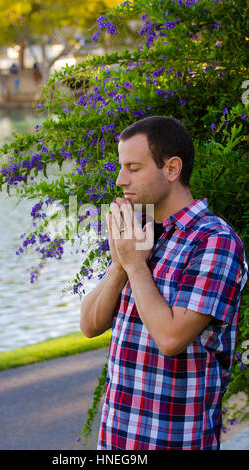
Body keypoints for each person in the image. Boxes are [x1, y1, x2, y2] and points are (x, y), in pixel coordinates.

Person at [80, 116, 248, 450]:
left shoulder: (215, 241)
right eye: (121, 166)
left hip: (175, 441)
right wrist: (119, 267)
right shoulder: (140, 236)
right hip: (116, 442)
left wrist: (134, 265)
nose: (119, 179)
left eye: (133, 167)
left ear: (171, 169)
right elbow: (89, 325)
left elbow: (171, 338)